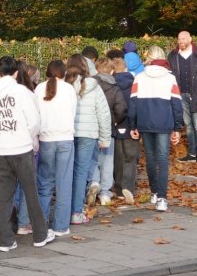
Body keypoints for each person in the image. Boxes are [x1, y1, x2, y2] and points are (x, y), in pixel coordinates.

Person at [0, 56, 54, 252]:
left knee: (1, 197)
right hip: (21, 148)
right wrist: (27, 139)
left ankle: (6, 240)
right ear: (15, 73)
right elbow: (34, 122)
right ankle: (40, 235)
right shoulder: (22, 92)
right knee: (31, 193)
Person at [128, 46, 182, 212]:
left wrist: (132, 124)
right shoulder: (170, 78)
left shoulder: (139, 77)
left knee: (150, 158)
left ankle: (153, 192)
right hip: (164, 123)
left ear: (149, 58)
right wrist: (177, 127)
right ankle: (162, 198)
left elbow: (133, 103)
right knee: (163, 158)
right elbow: (176, 104)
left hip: (144, 122)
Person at [65, 54, 111, 225]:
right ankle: (76, 210)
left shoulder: (64, 86)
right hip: (88, 134)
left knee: (66, 172)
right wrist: (105, 138)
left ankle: (65, 208)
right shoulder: (94, 86)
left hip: (67, 133)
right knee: (81, 172)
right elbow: (104, 114)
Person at [34, 60, 78, 237]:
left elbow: (35, 115)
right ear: (64, 72)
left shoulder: (39, 89)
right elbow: (73, 113)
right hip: (65, 138)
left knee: (44, 184)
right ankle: (61, 226)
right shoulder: (69, 89)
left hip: (46, 139)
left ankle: (42, 223)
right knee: (64, 184)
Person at [167, 31, 197, 164]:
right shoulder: (172, 56)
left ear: (190, 39)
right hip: (181, 96)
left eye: (184, 38)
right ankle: (192, 153)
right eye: (179, 39)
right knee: (188, 125)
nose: (181, 41)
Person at [92, 57, 127, 206]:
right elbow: (121, 108)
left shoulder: (90, 85)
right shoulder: (115, 87)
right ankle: (105, 193)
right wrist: (116, 121)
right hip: (109, 127)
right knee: (107, 160)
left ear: (97, 69)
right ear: (112, 70)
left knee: (92, 160)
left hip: (92, 127)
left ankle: (93, 182)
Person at [12, 60, 38, 236]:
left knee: (11, 185)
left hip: (6, 146)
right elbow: (34, 122)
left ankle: (11, 217)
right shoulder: (29, 93)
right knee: (27, 185)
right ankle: (24, 222)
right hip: (26, 144)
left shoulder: (4, 93)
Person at [111, 57, 139, 204]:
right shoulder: (134, 84)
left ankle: (119, 187)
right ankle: (128, 186)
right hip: (130, 125)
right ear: (126, 68)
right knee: (130, 158)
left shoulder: (110, 84)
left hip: (116, 125)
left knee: (117, 158)